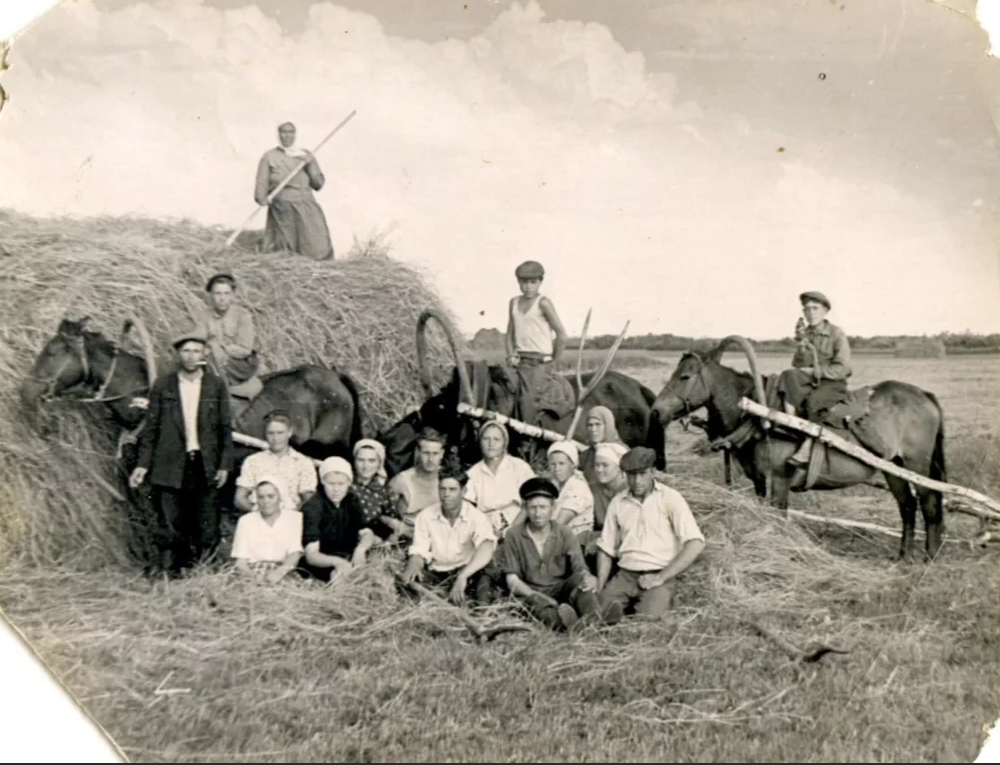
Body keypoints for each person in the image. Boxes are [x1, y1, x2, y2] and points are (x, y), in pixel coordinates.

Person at [129, 330, 234, 577]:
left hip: (204, 461)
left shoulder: (215, 386)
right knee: (170, 517)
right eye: (186, 351)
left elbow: (224, 428)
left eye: (196, 351)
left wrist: (224, 464)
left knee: (206, 517)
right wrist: (143, 465)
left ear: (204, 354)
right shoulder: (164, 385)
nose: (190, 356)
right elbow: (151, 429)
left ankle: (205, 568)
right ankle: (168, 569)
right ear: (178, 354)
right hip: (171, 461)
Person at [596, 447, 706, 622]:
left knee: (646, 622)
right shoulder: (618, 502)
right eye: (632, 475)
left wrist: (661, 577)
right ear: (624, 474)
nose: (637, 480)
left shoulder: (670, 498)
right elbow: (606, 548)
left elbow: (695, 542)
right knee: (598, 614)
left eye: (642, 474)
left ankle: (640, 615)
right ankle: (613, 616)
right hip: (626, 574)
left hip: (659, 573)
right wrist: (601, 587)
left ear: (653, 472)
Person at [500, 477, 601, 631]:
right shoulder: (513, 534)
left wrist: (589, 578)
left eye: (543, 507)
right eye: (533, 507)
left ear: (553, 507)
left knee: (582, 583)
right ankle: (572, 624)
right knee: (544, 612)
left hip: (560, 589)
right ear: (525, 509)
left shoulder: (564, 532)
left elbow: (579, 568)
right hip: (531, 592)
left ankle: (594, 620)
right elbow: (512, 580)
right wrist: (534, 595)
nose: (538, 513)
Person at [401, 453, 499, 607]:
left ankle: (481, 613)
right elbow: (420, 549)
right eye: (442, 489)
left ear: (464, 492)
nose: (446, 495)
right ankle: (434, 606)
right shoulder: (425, 516)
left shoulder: (477, 517)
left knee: (487, 574)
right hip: (437, 573)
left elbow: (486, 547)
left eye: (452, 489)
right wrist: (414, 563)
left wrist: (463, 576)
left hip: (467, 571)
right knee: (407, 581)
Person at [776, 291, 853, 468]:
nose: (810, 313)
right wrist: (802, 348)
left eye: (815, 308)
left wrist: (814, 371)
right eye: (807, 309)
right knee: (786, 377)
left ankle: (808, 445)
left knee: (814, 401)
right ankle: (792, 425)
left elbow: (842, 368)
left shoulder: (836, 334)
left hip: (833, 382)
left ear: (825, 311)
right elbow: (796, 365)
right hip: (810, 380)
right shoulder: (806, 334)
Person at [300, 457, 391, 583]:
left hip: (348, 555)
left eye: (341, 484)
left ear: (349, 483)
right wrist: (337, 562)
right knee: (340, 577)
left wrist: (360, 550)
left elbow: (366, 532)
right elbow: (311, 555)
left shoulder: (351, 500)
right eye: (331, 484)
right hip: (324, 562)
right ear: (322, 482)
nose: (336, 489)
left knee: (381, 573)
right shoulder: (313, 507)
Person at [504, 260, 572, 423]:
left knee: (527, 400)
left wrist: (553, 359)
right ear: (518, 282)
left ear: (540, 282)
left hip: (539, 362)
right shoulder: (513, 302)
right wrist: (511, 355)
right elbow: (509, 334)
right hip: (520, 360)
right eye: (524, 282)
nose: (528, 287)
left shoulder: (543, 303)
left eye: (533, 282)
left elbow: (562, 335)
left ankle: (527, 440)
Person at [254, 121, 334, 261]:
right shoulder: (269, 157)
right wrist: (262, 198)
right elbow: (261, 183)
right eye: (284, 132)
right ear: (278, 134)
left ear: (295, 134)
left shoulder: (305, 155)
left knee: (316, 244)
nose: (287, 136)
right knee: (286, 247)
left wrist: (309, 165)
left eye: (291, 132)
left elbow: (318, 184)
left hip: (307, 205)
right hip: (283, 208)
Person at [192, 273, 262, 398]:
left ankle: (224, 397)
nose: (222, 298)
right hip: (214, 362)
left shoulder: (242, 315)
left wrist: (221, 349)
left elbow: (245, 349)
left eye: (226, 293)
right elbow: (199, 338)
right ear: (211, 296)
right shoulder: (204, 315)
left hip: (241, 365)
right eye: (217, 294)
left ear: (232, 295)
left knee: (213, 357)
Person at [234, 411, 317, 515]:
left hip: (290, 519)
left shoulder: (303, 463)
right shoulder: (253, 461)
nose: (275, 438)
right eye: (271, 433)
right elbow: (239, 498)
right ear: (265, 434)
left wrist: (292, 516)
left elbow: (309, 501)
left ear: (290, 432)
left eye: (280, 433)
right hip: (259, 518)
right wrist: (258, 513)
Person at [464, 421, 537, 539]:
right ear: (480, 442)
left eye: (496, 439)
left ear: (504, 443)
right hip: (486, 530)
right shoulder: (474, 472)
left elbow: (531, 502)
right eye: (486, 439)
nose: (491, 443)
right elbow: (467, 508)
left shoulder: (518, 466)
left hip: (519, 525)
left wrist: (511, 531)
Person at [230, 477, 304, 583]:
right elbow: (240, 562)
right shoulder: (246, 521)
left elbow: (295, 553)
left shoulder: (294, 518)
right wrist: (254, 577)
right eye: (261, 497)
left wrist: (279, 572)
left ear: (280, 497)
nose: (266, 501)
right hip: (251, 571)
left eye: (271, 496)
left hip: (284, 570)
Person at [388, 428, 448, 538]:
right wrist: (399, 527)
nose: (430, 459)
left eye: (435, 453)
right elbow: (379, 512)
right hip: (410, 538)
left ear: (442, 454)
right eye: (426, 453)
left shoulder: (448, 478)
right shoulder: (402, 480)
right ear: (417, 452)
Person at [546, 441, 595, 544]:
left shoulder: (578, 487)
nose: (556, 469)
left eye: (562, 464)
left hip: (576, 542)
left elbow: (560, 522)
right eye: (553, 464)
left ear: (572, 464)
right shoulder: (554, 485)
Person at [352, 438, 400, 535]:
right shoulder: (346, 484)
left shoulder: (385, 488)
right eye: (361, 460)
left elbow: (392, 520)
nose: (366, 466)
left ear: (379, 463)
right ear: (354, 461)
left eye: (371, 461)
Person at [579, 406, 627, 487]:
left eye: (598, 424)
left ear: (608, 425)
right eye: (590, 425)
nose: (593, 429)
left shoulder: (622, 452)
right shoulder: (585, 455)